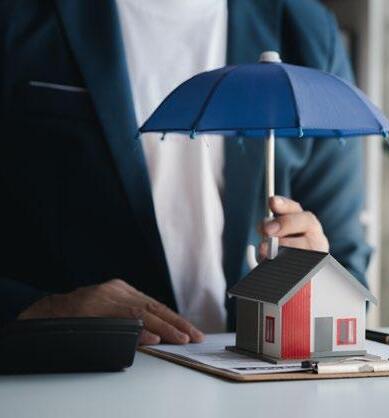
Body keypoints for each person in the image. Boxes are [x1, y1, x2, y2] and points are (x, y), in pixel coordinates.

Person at [0, 0, 370, 344]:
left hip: (252, 375)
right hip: (74, 369)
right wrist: (42, 309)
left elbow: (346, 263)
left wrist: (319, 287)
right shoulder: (19, 16)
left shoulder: (304, 29)